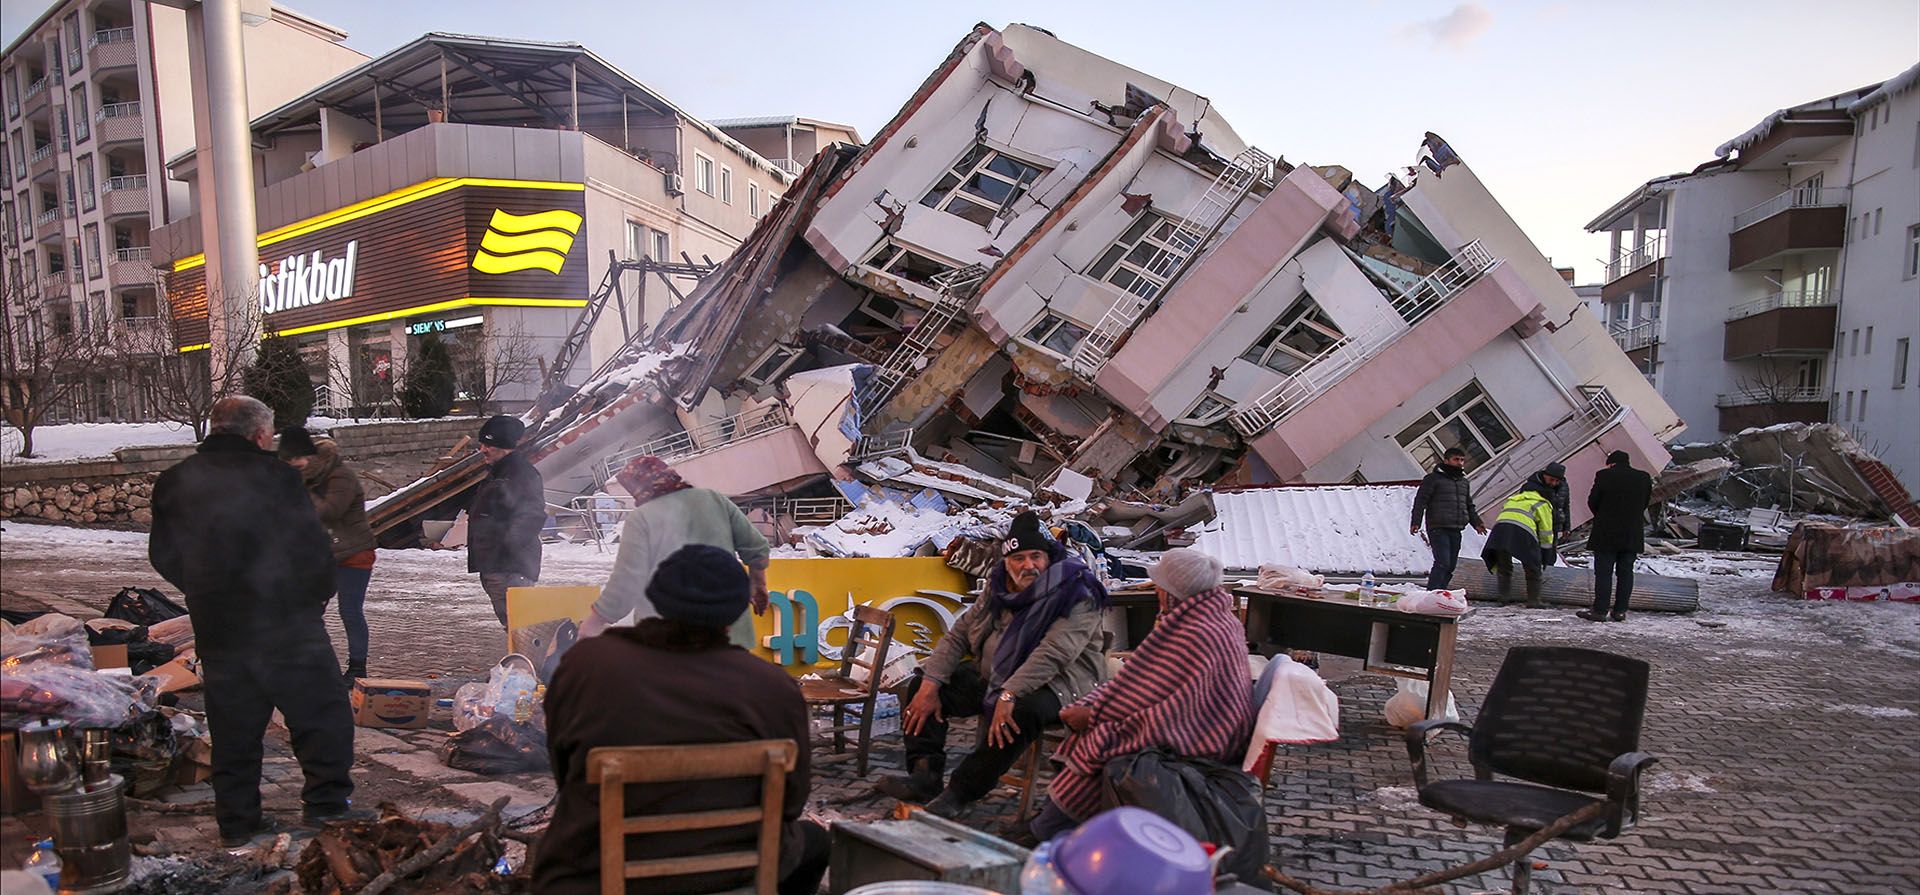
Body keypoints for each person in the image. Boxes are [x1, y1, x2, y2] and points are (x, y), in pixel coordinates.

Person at [535, 545, 828, 895]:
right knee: (815, 843)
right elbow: (791, 802)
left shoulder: (587, 663)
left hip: (591, 873)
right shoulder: (773, 687)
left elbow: (564, 771)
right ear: (737, 611)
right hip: (734, 873)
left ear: (655, 599)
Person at [149, 396, 359, 848]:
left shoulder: (174, 480)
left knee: (233, 727)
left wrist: (202, 589)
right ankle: (325, 807)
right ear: (260, 435)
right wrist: (314, 597)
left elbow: (162, 554)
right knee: (320, 715)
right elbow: (311, 547)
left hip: (218, 625)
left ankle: (238, 822)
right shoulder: (278, 477)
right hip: (286, 621)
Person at [877, 511, 1109, 817]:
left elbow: (1055, 652)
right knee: (923, 684)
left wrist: (1009, 692)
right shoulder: (1000, 584)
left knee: (1020, 713)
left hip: (1059, 685)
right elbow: (961, 632)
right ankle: (924, 776)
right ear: (1008, 560)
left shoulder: (1078, 591)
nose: (1029, 566)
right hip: (997, 674)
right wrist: (932, 681)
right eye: (1019, 558)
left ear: (1049, 556)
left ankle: (961, 792)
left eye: (1036, 556)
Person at [1030, 549, 1253, 840]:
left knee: (1103, 740)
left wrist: (1094, 714)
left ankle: (1048, 831)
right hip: (1205, 726)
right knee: (1099, 729)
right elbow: (1144, 686)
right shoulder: (1213, 618)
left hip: (1202, 737)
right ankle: (1052, 825)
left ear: (1174, 591)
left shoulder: (1195, 632)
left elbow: (1167, 706)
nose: (1157, 591)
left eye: (1161, 586)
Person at [579, 455, 772, 647]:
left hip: (671, 642)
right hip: (729, 634)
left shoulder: (642, 518)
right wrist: (758, 583)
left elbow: (627, 581)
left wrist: (593, 623)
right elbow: (756, 547)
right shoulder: (713, 499)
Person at [279, 426, 377, 681]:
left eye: (295, 460)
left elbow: (330, 511)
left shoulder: (340, 477)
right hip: (325, 555)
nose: (293, 465)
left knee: (350, 609)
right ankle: (306, 663)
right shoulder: (310, 479)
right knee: (308, 609)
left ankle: (357, 667)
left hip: (354, 554)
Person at [467, 415, 545, 627]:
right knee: (515, 628)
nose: (482, 449)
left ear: (504, 446)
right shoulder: (499, 473)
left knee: (521, 628)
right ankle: (526, 659)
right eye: (481, 443)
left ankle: (534, 660)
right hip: (496, 566)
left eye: (488, 444)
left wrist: (507, 546)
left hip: (510, 568)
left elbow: (532, 515)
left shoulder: (520, 474)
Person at [1579, 451, 1654, 623]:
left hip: (1606, 532)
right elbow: (1645, 502)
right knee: (1626, 572)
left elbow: (1593, 500)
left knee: (1604, 573)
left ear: (1610, 464)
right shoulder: (1643, 477)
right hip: (1632, 533)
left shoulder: (1604, 475)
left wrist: (1603, 515)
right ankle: (1620, 611)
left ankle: (1599, 611)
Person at [1411, 447, 1487, 590]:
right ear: (1446, 461)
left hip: (1456, 527)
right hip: (1438, 526)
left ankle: (1441, 591)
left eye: (1462, 460)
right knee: (1442, 562)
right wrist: (1416, 521)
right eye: (1456, 459)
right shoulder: (1433, 479)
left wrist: (1477, 523)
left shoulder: (1463, 482)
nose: (1460, 463)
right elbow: (1421, 501)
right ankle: (1432, 592)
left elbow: (1469, 505)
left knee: (1451, 564)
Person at [1479, 481, 1556, 608]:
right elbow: (1546, 533)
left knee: (1503, 564)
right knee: (1533, 566)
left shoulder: (1513, 499)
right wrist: (1545, 555)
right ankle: (1533, 601)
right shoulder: (1543, 504)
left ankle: (1504, 597)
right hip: (1522, 532)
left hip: (1500, 530)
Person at [1527, 462, 1570, 566]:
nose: (1554, 483)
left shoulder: (1563, 487)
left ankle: (1545, 577)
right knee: (1534, 556)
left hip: (1553, 527)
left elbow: (1565, 506)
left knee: (1550, 557)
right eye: (1551, 479)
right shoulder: (1531, 486)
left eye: (1557, 481)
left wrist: (1566, 527)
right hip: (1536, 527)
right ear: (1545, 475)